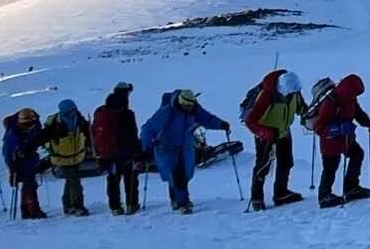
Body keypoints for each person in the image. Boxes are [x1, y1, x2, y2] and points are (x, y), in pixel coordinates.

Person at [140, 89, 231, 214]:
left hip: (185, 148)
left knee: (184, 174)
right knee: (178, 175)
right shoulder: (167, 112)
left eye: (190, 105)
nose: (188, 108)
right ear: (181, 102)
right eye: (186, 105)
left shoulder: (194, 109)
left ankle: (176, 199)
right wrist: (146, 148)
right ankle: (183, 203)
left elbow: (206, 118)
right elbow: (148, 129)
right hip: (166, 149)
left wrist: (221, 124)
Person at [308, 76, 370, 208]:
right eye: (355, 93)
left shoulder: (350, 99)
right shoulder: (329, 102)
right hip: (330, 143)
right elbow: (318, 127)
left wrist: (368, 123)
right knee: (330, 167)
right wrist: (337, 129)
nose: (356, 96)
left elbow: (358, 113)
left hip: (346, 139)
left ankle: (351, 187)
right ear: (348, 90)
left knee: (357, 154)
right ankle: (324, 196)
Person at [244, 70, 308, 211]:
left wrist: (307, 115)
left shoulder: (294, 93)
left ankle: (281, 193)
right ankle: (257, 198)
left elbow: (301, 107)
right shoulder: (266, 96)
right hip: (265, 135)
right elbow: (250, 121)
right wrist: (264, 132)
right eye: (291, 93)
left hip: (283, 131)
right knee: (263, 165)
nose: (293, 95)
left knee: (286, 162)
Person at [92, 83, 142, 215]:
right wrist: (137, 152)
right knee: (130, 178)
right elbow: (132, 134)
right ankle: (132, 204)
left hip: (108, 154)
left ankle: (115, 207)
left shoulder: (101, 112)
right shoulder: (127, 113)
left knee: (113, 180)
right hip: (125, 151)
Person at [43, 99, 94, 216]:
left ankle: (68, 205)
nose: (73, 113)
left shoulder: (80, 121)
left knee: (70, 181)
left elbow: (88, 134)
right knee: (75, 182)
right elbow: (41, 138)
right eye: (70, 111)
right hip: (62, 158)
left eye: (74, 110)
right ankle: (78, 206)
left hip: (75, 157)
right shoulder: (55, 126)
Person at [2, 108, 49, 220]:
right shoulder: (13, 134)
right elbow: (8, 153)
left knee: (29, 185)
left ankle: (26, 210)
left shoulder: (32, 128)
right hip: (19, 163)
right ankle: (33, 210)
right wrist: (12, 167)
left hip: (29, 161)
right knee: (30, 185)